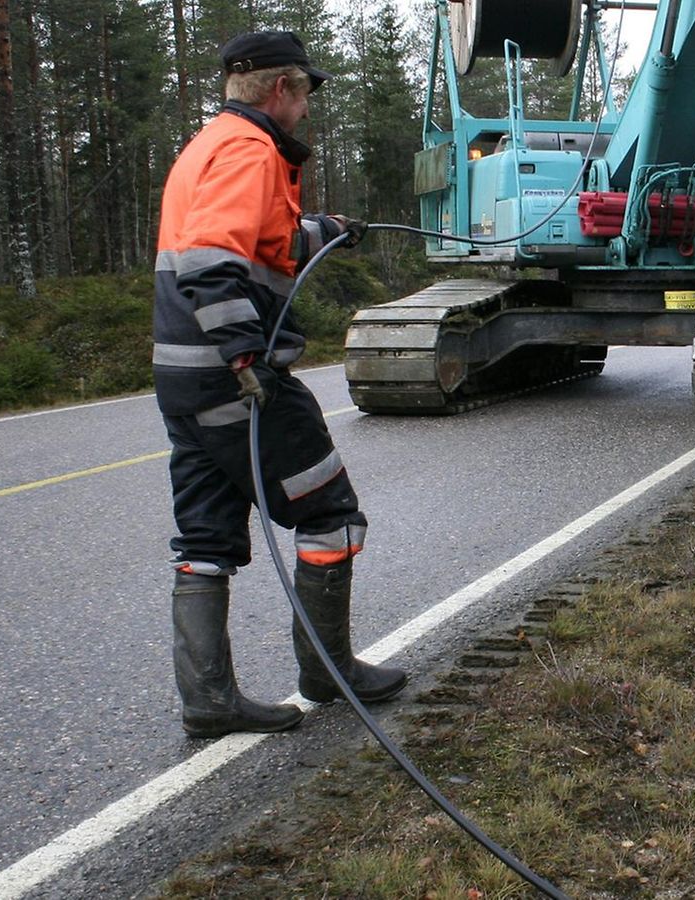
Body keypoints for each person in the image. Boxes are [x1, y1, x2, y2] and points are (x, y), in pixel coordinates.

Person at [153, 30, 407, 739]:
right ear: (280, 89)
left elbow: (253, 238)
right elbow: (209, 259)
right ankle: (328, 673)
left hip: (180, 375)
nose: (306, 110)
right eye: (305, 94)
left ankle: (208, 701)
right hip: (236, 378)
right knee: (332, 513)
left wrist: (322, 229)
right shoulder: (247, 149)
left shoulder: (210, 144)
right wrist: (244, 356)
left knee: (205, 537)